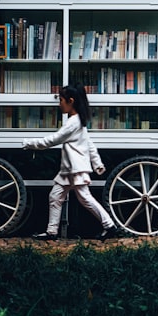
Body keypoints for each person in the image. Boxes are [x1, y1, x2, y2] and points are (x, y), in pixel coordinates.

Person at [24, 84, 118, 240]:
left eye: (61, 100)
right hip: (69, 169)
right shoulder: (77, 121)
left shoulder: (73, 123)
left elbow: (53, 140)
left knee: (84, 198)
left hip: (75, 169)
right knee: (55, 196)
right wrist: (97, 164)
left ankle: (110, 226)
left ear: (71, 101)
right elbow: (89, 144)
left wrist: (28, 143)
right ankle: (51, 232)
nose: (59, 103)